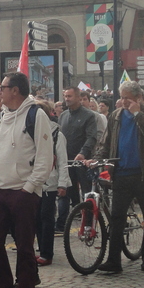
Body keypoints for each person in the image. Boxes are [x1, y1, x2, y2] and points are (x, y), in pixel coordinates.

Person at [0, 72, 53, 288]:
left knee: (24, 248)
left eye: (3, 87)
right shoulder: (1, 116)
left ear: (16, 90)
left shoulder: (37, 115)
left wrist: (30, 187)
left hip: (23, 191)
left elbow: (45, 156)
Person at [95, 81, 144, 273]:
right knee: (116, 217)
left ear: (138, 98)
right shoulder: (115, 116)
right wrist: (97, 158)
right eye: (121, 97)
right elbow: (106, 142)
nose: (123, 101)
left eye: (127, 98)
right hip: (121, 173)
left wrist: (138, 114)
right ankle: (114, 261)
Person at [54, 86, 99, 236]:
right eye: (65, 96)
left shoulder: (89, 115)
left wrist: (83, 153)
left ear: (79, 98)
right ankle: (62, 225)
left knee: (87, 194)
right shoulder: (63, 116)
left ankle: (87, 226)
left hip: (82, 162)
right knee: (66, 193)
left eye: (70, 96)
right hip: (66, 162)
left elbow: (92, 137)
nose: (67, 99)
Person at [34, 100, 70, 268]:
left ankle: (47, 253)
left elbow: (63, 161)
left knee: (46, 218)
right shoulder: (31, 131)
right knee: (35, 218)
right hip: (34, 182)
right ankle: (42, 249)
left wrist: (63, 184)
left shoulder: (57, 134)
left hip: (50, 182)